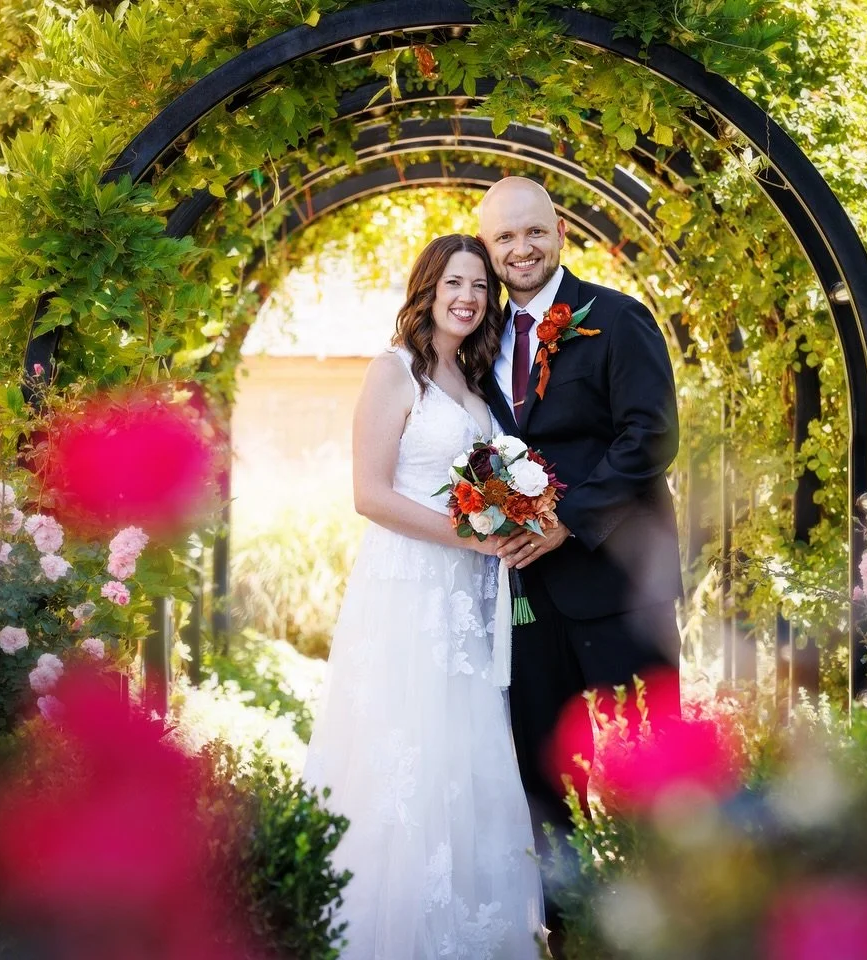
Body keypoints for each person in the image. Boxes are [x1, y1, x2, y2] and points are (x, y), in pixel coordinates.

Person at [302, 234, 544, 958]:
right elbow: (370, 495)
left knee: (467, 744)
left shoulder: (476, 380)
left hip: (471, 596)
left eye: (480, 287)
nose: (468, 298)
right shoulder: (394, 371)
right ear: (428, 290)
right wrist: (474, 538)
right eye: (454, 284)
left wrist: (506, 518)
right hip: (408, 588)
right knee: (406, 745)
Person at [476, 177, 684, 951]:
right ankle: (566, 934)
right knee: (545, 778)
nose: (521, 249)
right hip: (526, 600)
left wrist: (568, 521)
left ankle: (666, 929)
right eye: (504, 238)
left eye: (533, 231)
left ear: (559, 231)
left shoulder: (617, 319)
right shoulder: (482, 341)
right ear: (489, 250)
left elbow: (651, 437)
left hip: (620, 590)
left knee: (647, 770)